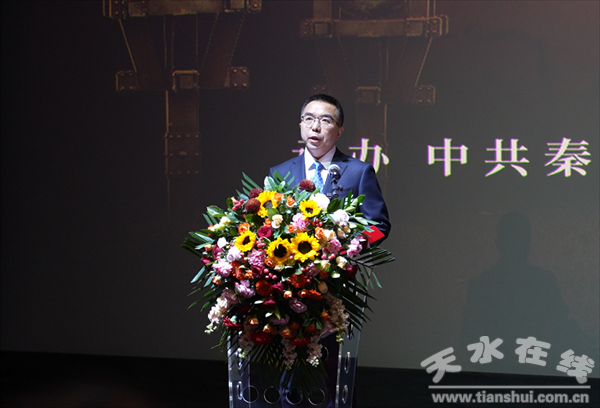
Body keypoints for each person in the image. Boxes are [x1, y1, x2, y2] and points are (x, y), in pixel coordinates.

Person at [269, 94, 391, 246]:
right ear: (300, 125)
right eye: (309, 119)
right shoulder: (280, 173)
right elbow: (268, 224)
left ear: (339, 132)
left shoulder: (359, 172)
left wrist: (348, 248)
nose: (315, 127)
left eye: (325, 120)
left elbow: (379, 226)